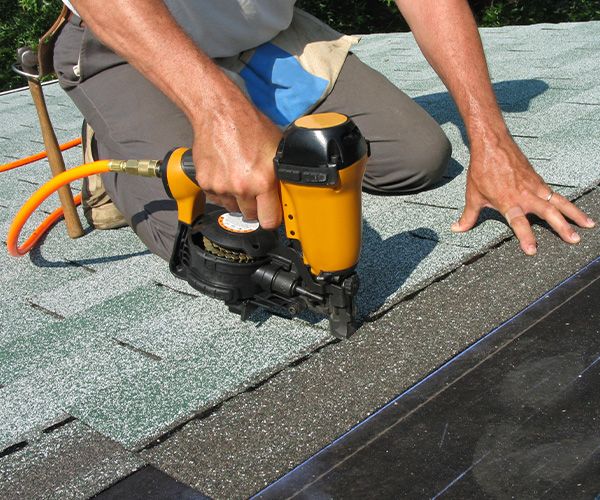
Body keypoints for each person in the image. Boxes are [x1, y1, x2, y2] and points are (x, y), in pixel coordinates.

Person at [54, 0, 594, 261]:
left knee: (419, 157)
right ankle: (115, 142)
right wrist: (218, 115)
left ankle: (248, 106)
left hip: (261, 34)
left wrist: (491, 140)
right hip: (132, 40)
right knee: (229, 247)